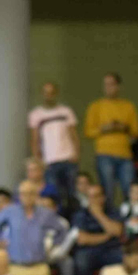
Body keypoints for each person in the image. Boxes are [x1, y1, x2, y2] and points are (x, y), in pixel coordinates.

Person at [85, 73, 138, 204]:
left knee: (129, 190)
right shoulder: (96, 106)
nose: (108, 87)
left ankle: (132, 221)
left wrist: (124, 127)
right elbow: (88, 132)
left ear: (118, 86)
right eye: (106, 84)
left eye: (111, 84)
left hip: (125, 155)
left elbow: (137, 132)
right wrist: (104, 128)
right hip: (104, 154)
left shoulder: (128, 106)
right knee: (107, 191)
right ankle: (109, 220)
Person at [30, 82, 81, 211]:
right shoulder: (36, 114)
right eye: (46, 93)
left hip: (68, 158)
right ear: (42, 94)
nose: (49, 96)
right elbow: (35, 139)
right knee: (54, 196)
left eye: (51, 93)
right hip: (49, 161)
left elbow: (74, 134)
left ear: (56, 94)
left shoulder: (66, 111)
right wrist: (38, 160)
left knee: (72, 194)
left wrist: (76, 153)